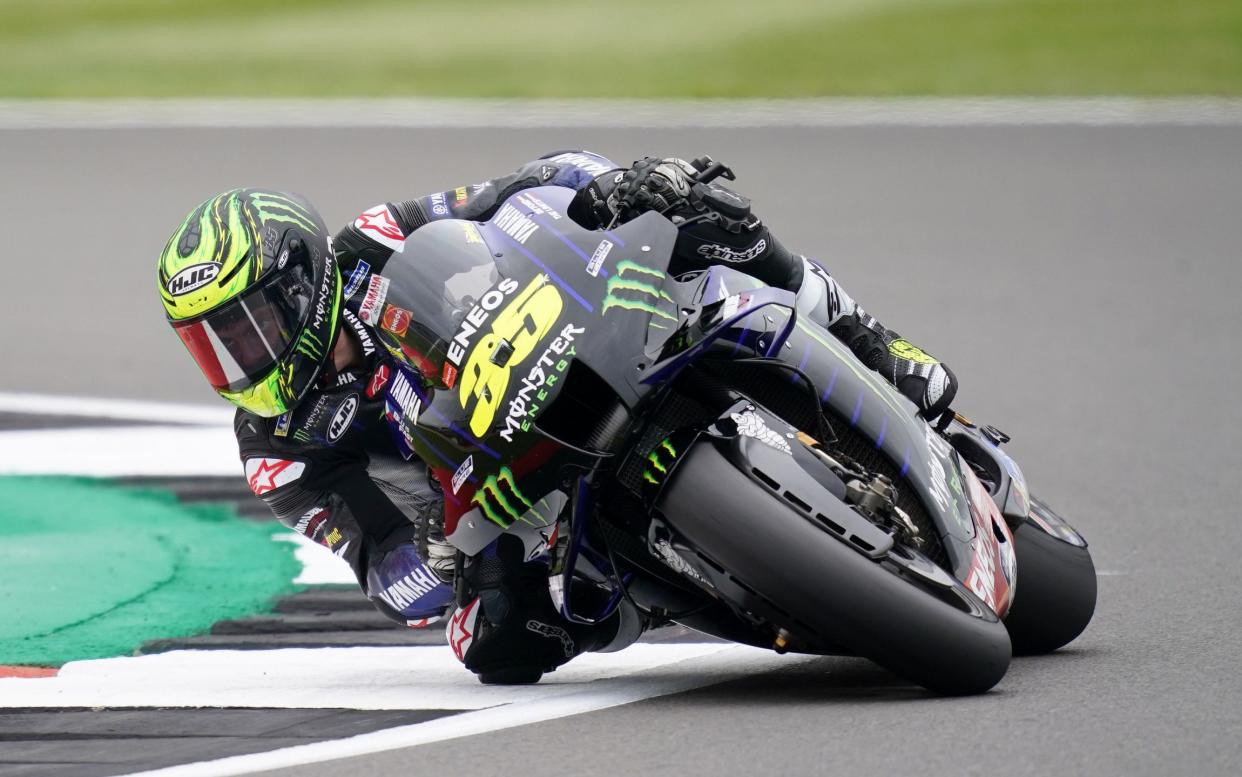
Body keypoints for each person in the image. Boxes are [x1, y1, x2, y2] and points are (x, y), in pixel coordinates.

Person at [156, 151, 957, 683]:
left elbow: (517, 193)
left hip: (563, 350)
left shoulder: (372, 241)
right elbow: (383, 568)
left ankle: (871, 341)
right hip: (497, 503)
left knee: (703, 214)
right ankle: (690, 582)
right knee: (491, 641)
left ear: (302, 282)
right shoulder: (277, 448)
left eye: (245, 323)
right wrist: (439, 555)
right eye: (211, 343)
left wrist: (612, 189)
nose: (236, 357)